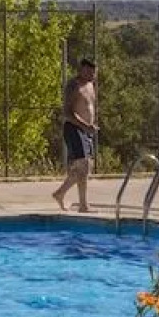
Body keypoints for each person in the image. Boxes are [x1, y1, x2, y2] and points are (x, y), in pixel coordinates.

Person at [51, 58, 98, 213]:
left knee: (85, 168)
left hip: (87, 130)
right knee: (83, 165)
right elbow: (67, 112)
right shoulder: (73, 86)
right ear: (82, 70)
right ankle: (83, 205)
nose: (93, 75)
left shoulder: (91, 85)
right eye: (90, 72)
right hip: (74, 128)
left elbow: (88, 107)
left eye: (94, 72)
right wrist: (85, 125)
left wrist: (90, 127)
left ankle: (60, 193)